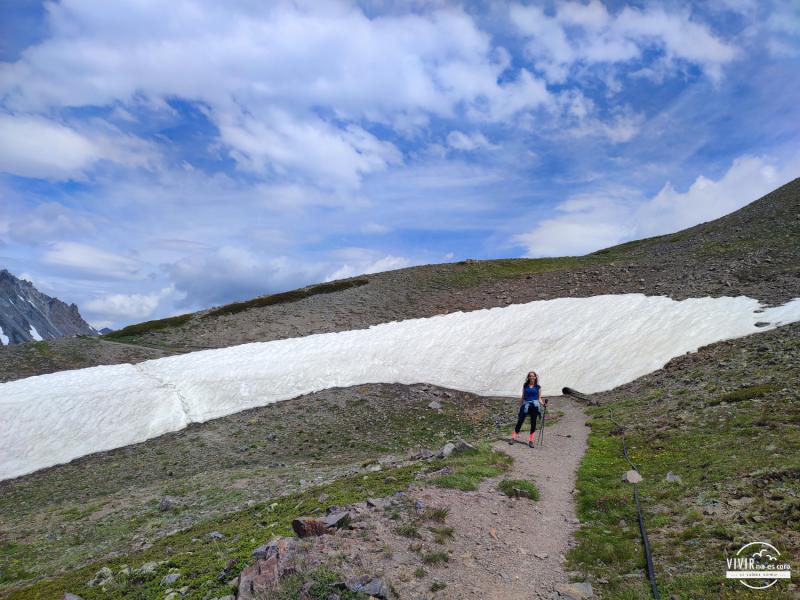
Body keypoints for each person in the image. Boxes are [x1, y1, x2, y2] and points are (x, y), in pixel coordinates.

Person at [510, 371, 546, 448]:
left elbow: (539, 398)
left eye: (533, 376)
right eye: (530, 376)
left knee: (533, 423)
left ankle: (531, 441)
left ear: (535, 377)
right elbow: (523, 396)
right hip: (525, 404)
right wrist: (519, 405)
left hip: (535, 406)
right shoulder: (525, 385)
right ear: (528, 377)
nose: (531, 377)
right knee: (520, 421)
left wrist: (543, 404)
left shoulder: (538, 387)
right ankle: (513, 437)